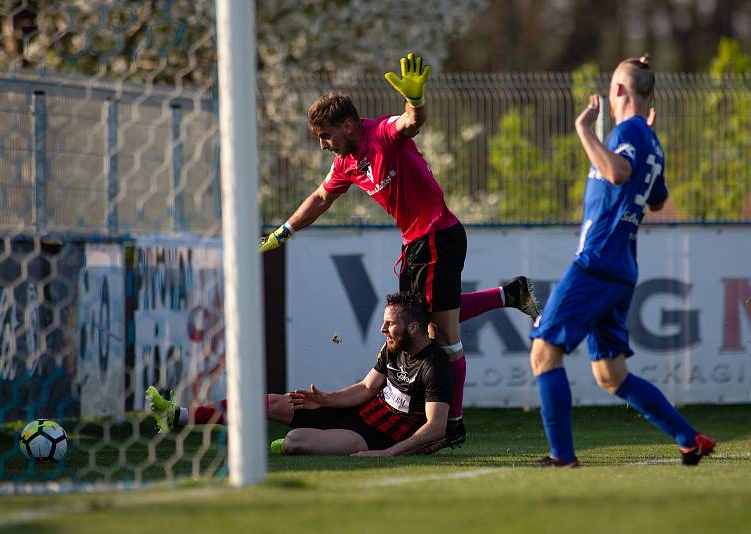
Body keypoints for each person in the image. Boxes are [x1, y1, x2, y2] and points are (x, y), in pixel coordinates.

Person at [257, 52, 540, 450]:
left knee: (441, 335)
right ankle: (508, 294)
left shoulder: (383, 134)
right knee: (424, 318)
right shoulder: (346, 163)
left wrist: (416, 100)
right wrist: (285, 230)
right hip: (414, 243)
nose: (323, 145)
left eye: (325, 136)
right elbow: (321, 197)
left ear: (349, 125)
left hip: (439, 235)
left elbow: (412, 122)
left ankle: (453, 423)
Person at [528, 54, 715, 467]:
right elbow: (659, 198)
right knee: (610, 374)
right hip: (621, 268)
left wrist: (583, 131)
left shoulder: (627, 131)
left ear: (617, 91)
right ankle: (689, 438)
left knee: (544, 352)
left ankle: (562, 457)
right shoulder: (650, 140)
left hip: (597, 263)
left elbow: (615, 173)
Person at [147, 292, 452, 456]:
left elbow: (436, 428)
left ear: (414, 328)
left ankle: (303, 445)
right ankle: (179, 416)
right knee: (269, 402)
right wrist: (326, 399)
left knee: (294, 441)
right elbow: (364, 388)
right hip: (358, 413)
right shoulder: (392, 347)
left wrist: (389, 454)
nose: (382, 329)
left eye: (390, 324)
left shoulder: (434, 364)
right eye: (384, 323)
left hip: (371, 437)